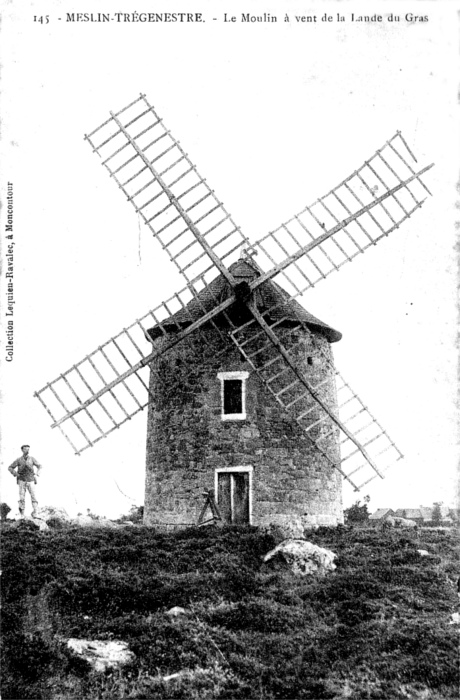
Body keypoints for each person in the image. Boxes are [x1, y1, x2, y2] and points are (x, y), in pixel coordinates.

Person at [8, 444, 42, 518]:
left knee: (34, 497)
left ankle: (35, 513)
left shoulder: (32, 459)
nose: (27, 450)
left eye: (28, 449)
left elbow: (40, 466)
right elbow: (10, 467)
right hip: (21, 480)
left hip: (31, 480)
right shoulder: (18, 460)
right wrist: (16, 474)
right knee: (22, 498)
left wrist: (37, 474)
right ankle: (22, 514)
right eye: (25, 449)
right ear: (22, 450)